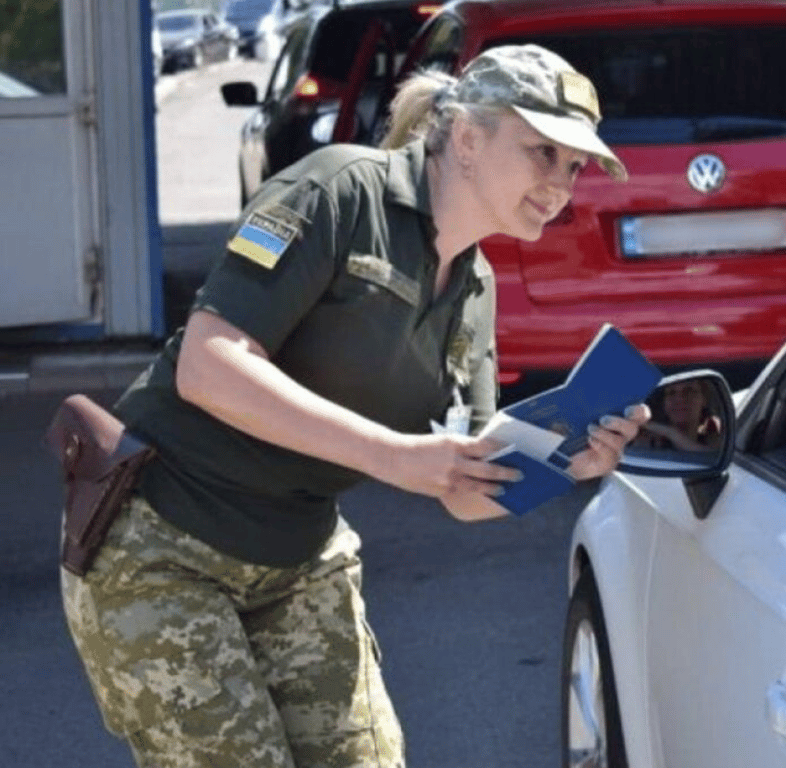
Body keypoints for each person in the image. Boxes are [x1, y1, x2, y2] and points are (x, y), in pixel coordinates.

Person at [60, 45, 647, 767]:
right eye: (542, 153)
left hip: (296, 557)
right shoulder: (338, 191)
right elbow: (208, 366)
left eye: (574, 165)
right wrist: (394, 456)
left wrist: (570, 461)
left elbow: (465, 491)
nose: (561, 183)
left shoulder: (475, 288)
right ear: (466, 137)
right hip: (164, 545)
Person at [634, 378, 723, 452]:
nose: (679, 398)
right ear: (664, 403)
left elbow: (709, 456)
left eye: (689, 390)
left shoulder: (716, 439)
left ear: (704, 399)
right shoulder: (649, 442)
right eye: (671, 392)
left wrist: (671, 433)